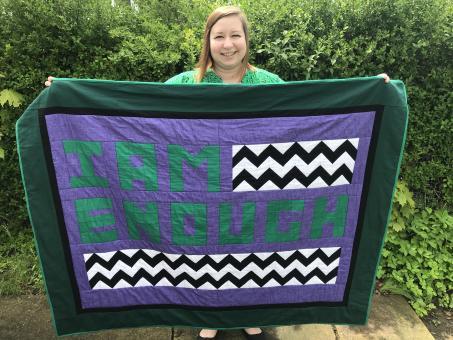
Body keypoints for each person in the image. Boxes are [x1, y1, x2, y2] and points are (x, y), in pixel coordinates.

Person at [44, 6, 389, 340]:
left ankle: (251, 317)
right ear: (207, 42)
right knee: (203, 255)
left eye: (235, 35)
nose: (228, 44)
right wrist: (64, 94)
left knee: (255, 251)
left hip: (255, 196)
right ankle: (208, 317)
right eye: (219, 36)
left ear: (246, 39)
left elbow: (307, 120)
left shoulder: (269, 84)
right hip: (197, 190)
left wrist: (373, 90)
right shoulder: (184, 83)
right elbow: (135, 116)